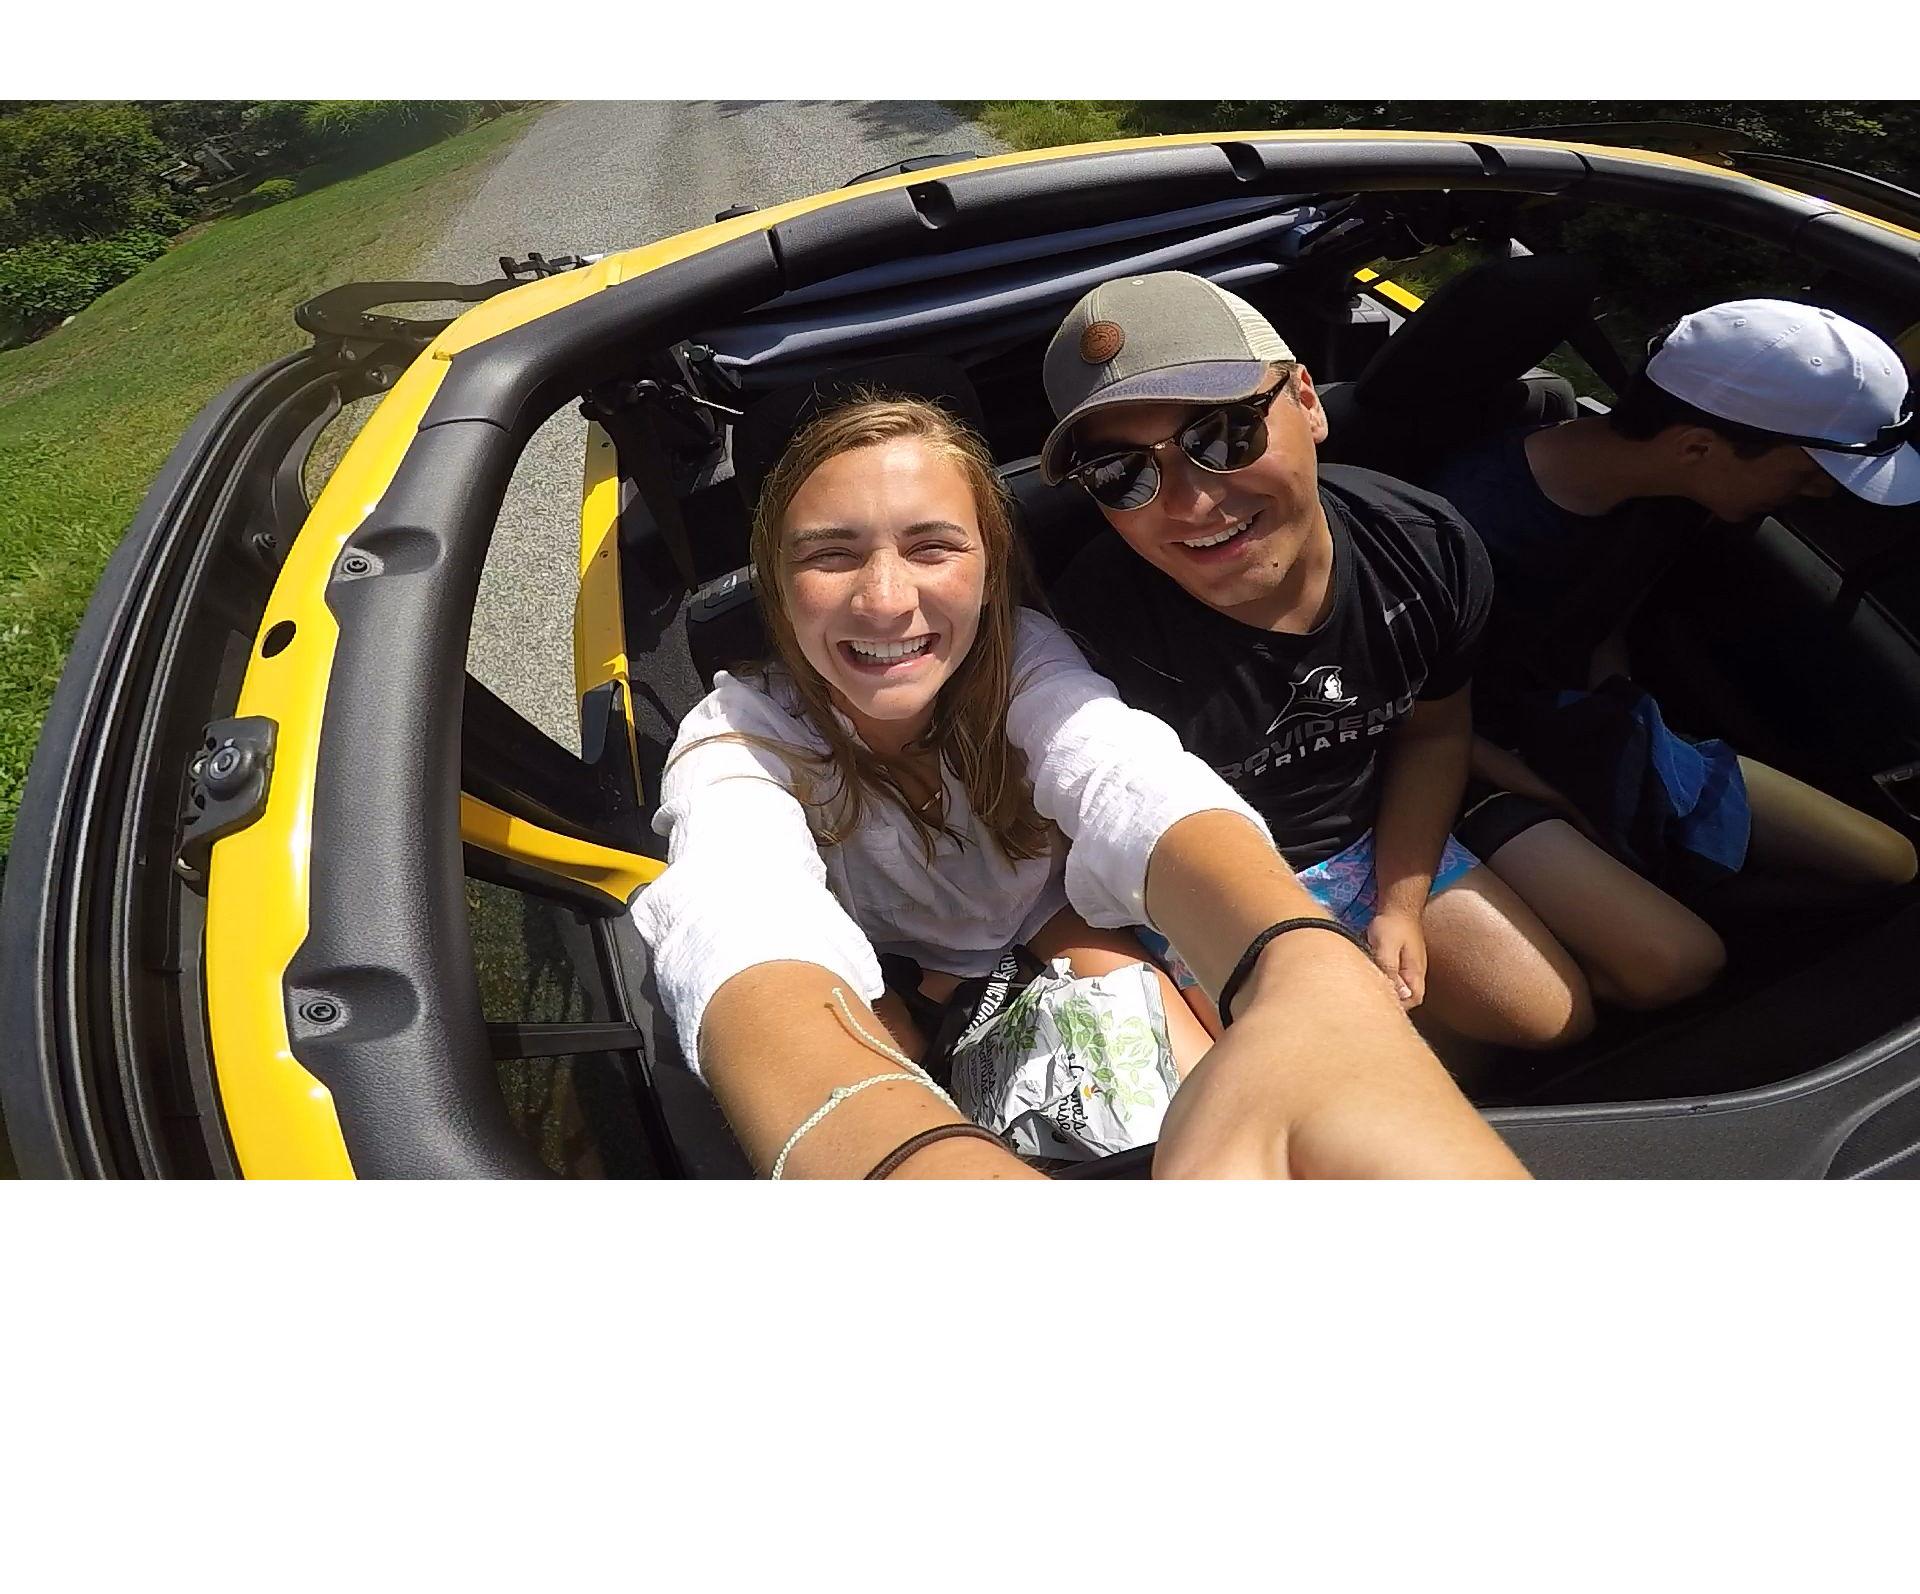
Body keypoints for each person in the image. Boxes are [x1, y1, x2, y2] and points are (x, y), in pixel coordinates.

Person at [630, 379, 1526, 1178]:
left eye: (933, 547)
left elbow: (1128, 777)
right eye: (831, 554)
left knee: (1184, 1104)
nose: (886, 600)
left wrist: (1304, 969)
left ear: (990, 569)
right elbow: (737, 912)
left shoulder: (1025, 661)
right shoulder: (735, 740)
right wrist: (896, 1157)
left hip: (1059, 921)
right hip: (883, 982)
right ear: (776, 580)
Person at [1040, 270, 1729, 1046]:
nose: (1193, 502)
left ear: (1306, 402)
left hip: (1371, 832)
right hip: (1209, 881)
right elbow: (1080, 847)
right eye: (1122, 474)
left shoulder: (1424, 548)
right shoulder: (1089, 635)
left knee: (1561, 1021)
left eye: (1222, 434)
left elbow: (1433, 730)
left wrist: (1399, 904)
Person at [1425, 297, 1920, 900]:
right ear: (1696, 447)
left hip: (1579, 725)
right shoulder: (1465, 527)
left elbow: (1606, 623)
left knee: (1890, 861)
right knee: (1686, 933)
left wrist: (1621, 725)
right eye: (1807, 475)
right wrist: (1554, 798)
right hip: (1460, 757)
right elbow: (1405, 713)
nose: (1819, 495)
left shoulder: (1675, 500)